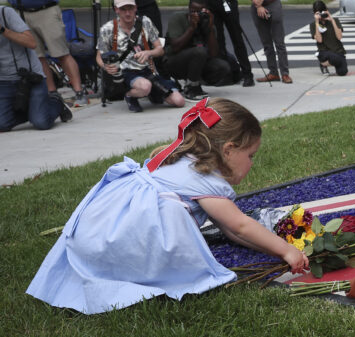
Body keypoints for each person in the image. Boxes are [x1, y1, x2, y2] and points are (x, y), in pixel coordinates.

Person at [26, 97, 310, 314]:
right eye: (251, 155)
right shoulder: (203, 179)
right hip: (129, 240)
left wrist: (270, 249)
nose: (252, 163)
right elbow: (239, 226)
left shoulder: (178, 158)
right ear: (229, 149)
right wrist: (286, 249)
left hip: (98, 232)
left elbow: (233, 231)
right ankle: (130, 272)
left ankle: (99, 264)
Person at [96, 0, 184, 113]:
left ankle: (153, 93)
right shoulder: (107, 29)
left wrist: (149, 53)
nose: (127, 13)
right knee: (145, 86)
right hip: (125, 73)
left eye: (130, 8)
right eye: (123, 9)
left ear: (136, 8)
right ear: (116, 10)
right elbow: (99, 57)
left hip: (148, 71)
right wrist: (107, 67)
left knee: (179, 101)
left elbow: (160, 49)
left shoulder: (145, 22)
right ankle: (130, 95)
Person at [0, 5, 72, 132]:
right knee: (2, 124)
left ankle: (55, 102)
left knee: (41, 122)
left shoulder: (5, 13)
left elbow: (31, 43)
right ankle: (34, 110)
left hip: (29, 77)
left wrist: (0, 29)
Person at [164, 0, 233, 100]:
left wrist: (209, 28)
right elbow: (175, 47)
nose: (196, 15)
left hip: (196, 63)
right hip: (174, 62)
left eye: (200, 12)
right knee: (200, 51)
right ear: (188, 9)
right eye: (193, 11)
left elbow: (214, 53)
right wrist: (191, 28)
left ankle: (195, 81)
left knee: (222, 67)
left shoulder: (207, 22)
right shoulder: (178, 19)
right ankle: (191, 87)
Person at [310, 0, 348, 76]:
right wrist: (317, 22)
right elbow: (319, 40)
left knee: (342, 72)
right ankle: (323, 64)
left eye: (322, 12)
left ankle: (327, 64)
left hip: (337, 51)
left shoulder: (335, 21)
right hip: (324, 52)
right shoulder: (313, 25)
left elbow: (339, 37)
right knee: (334, 57)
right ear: (314, 13)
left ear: (326, 10)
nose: (321, 15)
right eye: (318, 13)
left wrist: (332, 20)